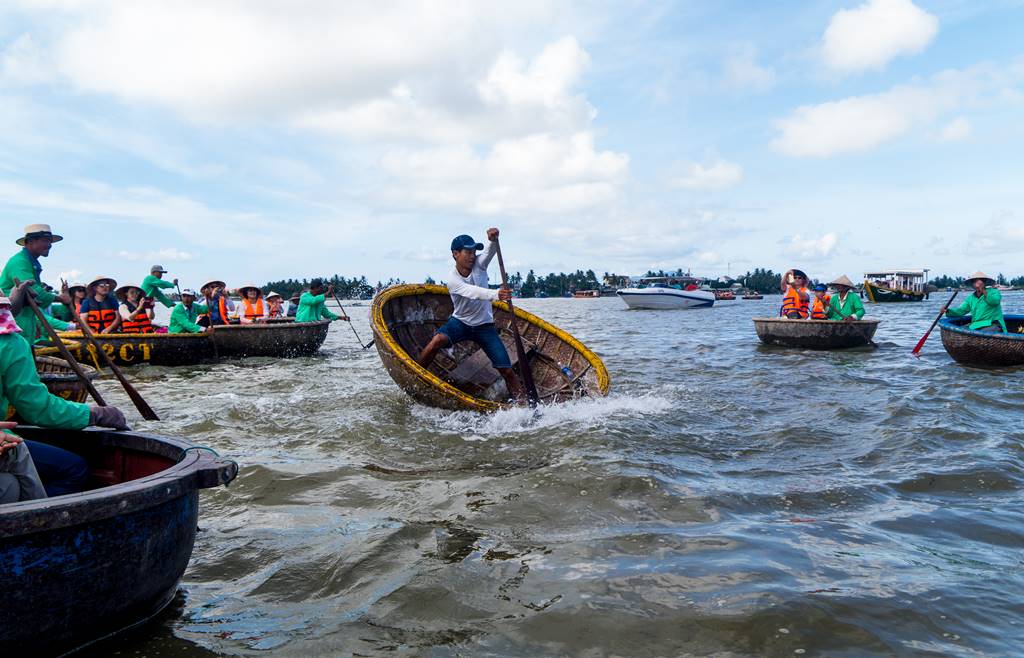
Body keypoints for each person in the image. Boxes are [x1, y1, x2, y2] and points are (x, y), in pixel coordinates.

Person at [0, 285, 128, 500]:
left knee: (10, 483)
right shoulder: (9, 343)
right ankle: (38, 523)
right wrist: (94, 414)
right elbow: (37, 409)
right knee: (73, 468)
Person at [417, 229, 524, 400]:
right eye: (468, 252)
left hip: (485, 326)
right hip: (461, 323)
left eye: (474, 252)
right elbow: (471, 292)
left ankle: (523, 403)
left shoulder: (479, 265)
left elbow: (490, 251)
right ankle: (416, 376)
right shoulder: (453, 279)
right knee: (437, 341)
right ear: (455, 254)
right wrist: (496, 295)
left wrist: (493, 240)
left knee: (507, 370)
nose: (472, 256)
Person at [0, 224, 73, 342]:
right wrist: (61, 298)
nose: (49, 245)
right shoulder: (19, 262)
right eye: (45, 241)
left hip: (24, 323)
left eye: (50, 242)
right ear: (30, 241)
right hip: (13, 325)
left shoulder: (30, 262)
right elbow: (36, 293)